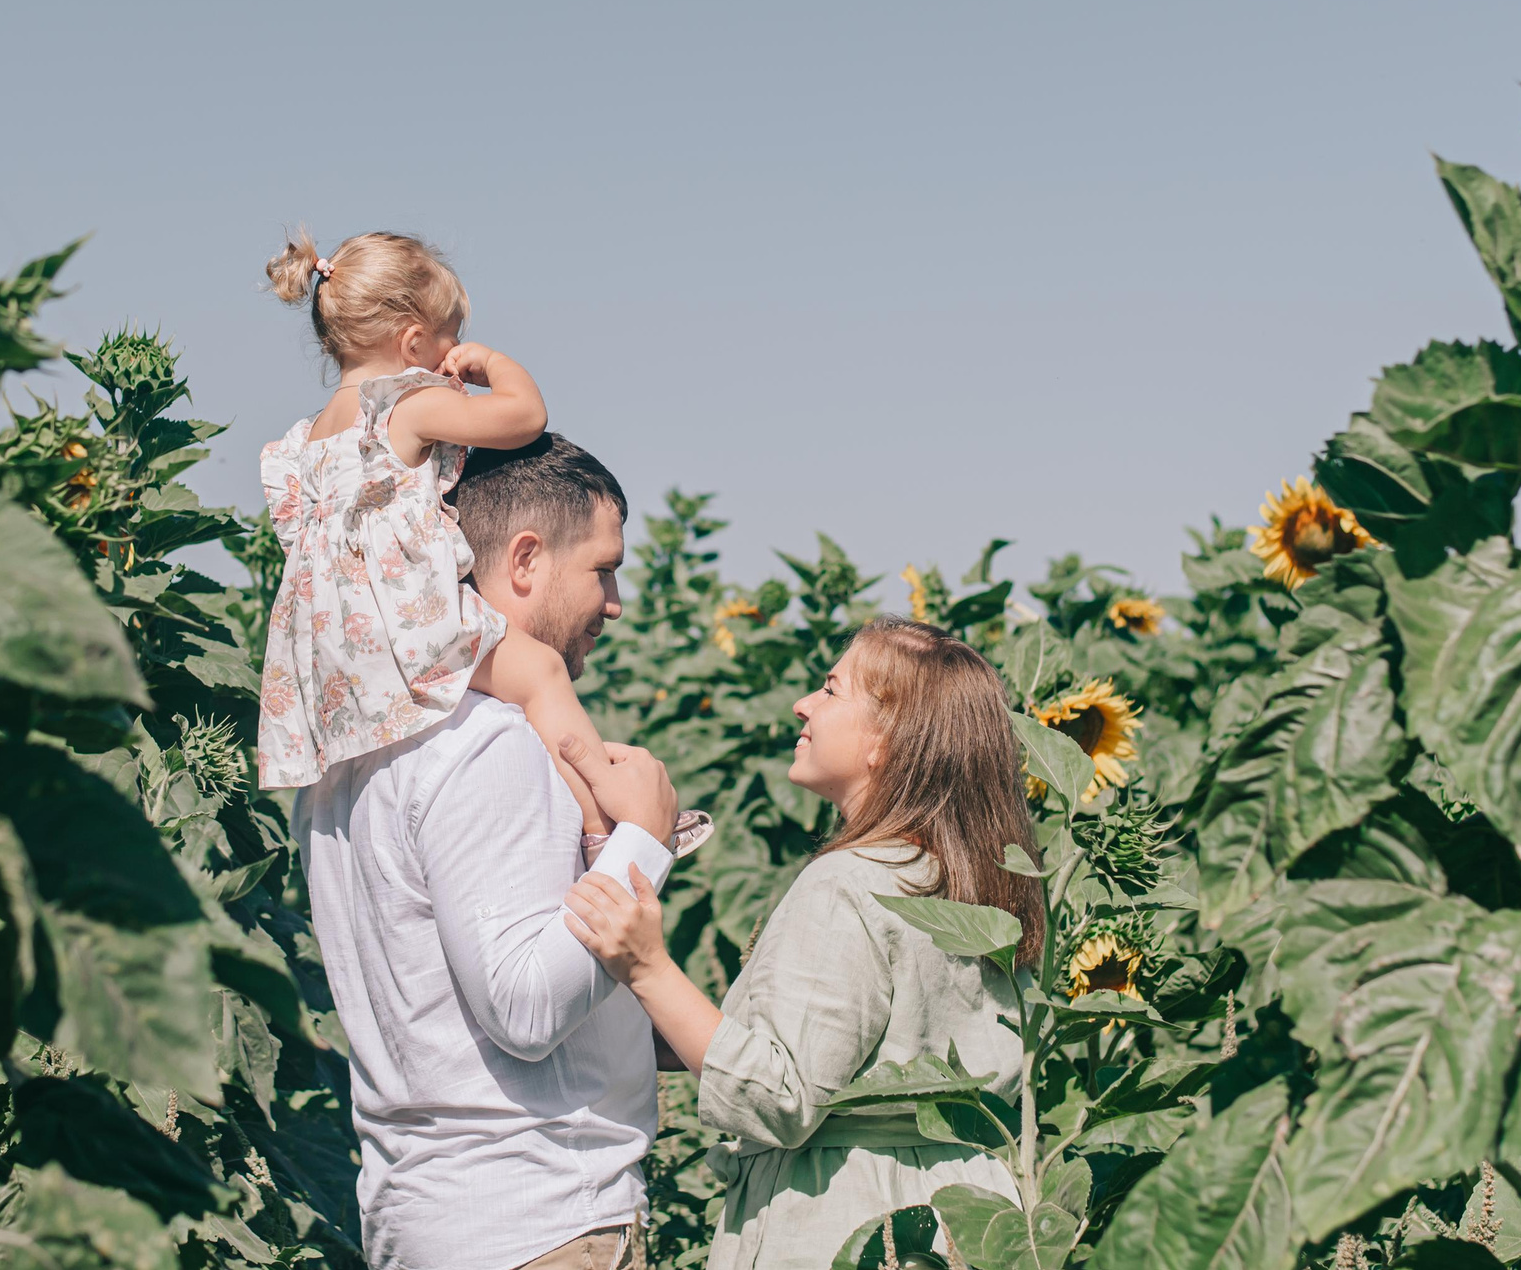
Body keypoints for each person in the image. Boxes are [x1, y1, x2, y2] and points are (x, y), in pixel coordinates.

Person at [294, 431, 684, 1270]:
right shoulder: (491, 743)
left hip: (428, 1216)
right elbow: (525, 1005)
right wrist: (644, 843)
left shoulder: (346, 754)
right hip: (539, 1220)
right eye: (603, 568)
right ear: (527, 558)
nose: (614, 602)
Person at [561, 617, 1046, 1270]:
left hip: (848, 1220)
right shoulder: (980, 885)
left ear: (886, 739)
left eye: (830, 688)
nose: (803, 704)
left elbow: (781, 1094)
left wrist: (648, 967)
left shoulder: (849, 884)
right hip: (967, 1214)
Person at [259, 227, 624, 840]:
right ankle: (604, 820)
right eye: (450, 336)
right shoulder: (404, 406)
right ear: (412, 341)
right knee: (541, 676)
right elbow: (524, 418)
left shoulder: (304, 443)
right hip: (408, 626)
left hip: (337, 655)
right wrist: (494, 364)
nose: (455, 351)